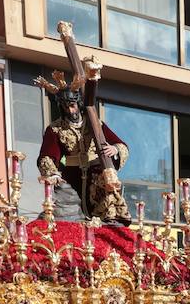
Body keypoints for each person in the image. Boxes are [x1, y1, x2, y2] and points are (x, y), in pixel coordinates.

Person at [36, 86, 131, 221]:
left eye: (72, 105)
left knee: (107, 184)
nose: (70, 110)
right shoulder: (55, 128)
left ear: (78, 103)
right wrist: (52, 173)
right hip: (71, 173)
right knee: (65, 200)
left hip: (96, 171)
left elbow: (121, 145)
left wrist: (115, 149)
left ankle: (109, 219)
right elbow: (47, 155)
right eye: (65, 107)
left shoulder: (95, 123)